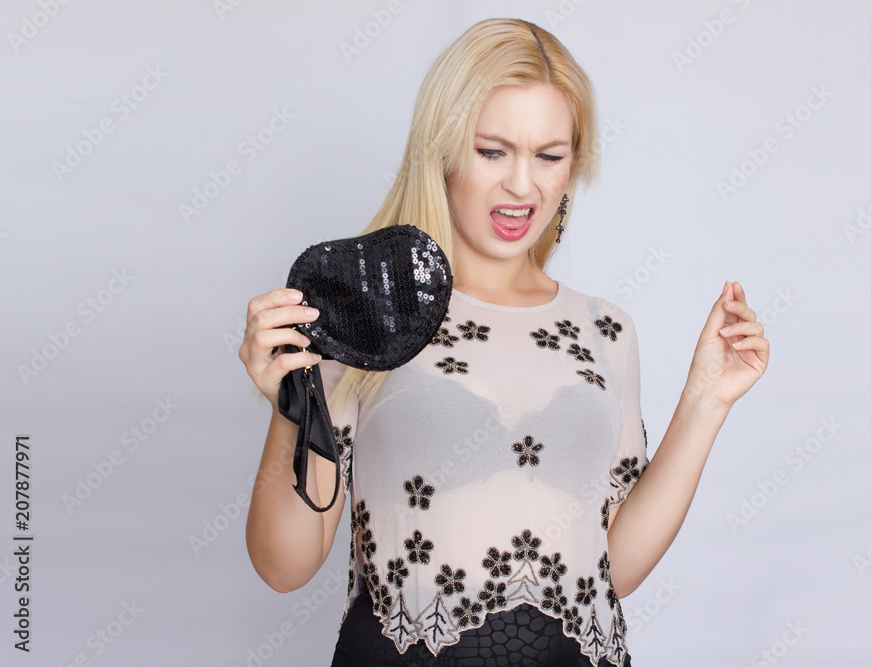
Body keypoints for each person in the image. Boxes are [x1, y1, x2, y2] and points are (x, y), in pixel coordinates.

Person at [239, 17, 769, 667]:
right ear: (442, 148)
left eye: (549, 155)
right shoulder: (363, 311)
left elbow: (614, 566)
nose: (524, 186)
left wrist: (705, 402)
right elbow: (282, 564)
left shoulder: (605, 330)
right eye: (494, 151)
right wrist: (288, 404)